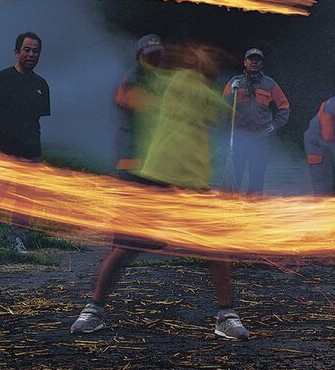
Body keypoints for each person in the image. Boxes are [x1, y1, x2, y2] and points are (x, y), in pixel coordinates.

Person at [70, 44, 250, 340]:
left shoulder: (207, 91)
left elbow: (232, 117)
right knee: (126, 248)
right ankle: (94, 310)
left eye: (211, 56)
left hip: (192, 183)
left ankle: (226, 315)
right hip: (154, 179)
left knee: (215, 248)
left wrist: (237, 93)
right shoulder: (165, 79)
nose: (207, 58)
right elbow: (138, 75)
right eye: (202, 53)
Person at [0, 32, 50, 255]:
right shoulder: (1, 79)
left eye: (35, 51)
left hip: (31, 149)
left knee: (23, 199)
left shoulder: (41, 85)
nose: (31, 54)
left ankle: (17, 239)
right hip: (3, 149)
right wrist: (5, 131)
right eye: (27, 49)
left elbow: (37, 117)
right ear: (17, 52)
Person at [222, 48, 290, 194]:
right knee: (236, 173)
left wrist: (274, 125)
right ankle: (230, 208)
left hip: (260, 137)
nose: (254, 62)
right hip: (239, 135)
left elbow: (284, 107)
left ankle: (253, 208)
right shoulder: (235, 82)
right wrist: (231, 94)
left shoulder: (269, 84)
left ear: (262, 64)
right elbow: (222, 107)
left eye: (257, 60)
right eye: (250, 59)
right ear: (245, 62)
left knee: (257, 177)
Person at [113, 34, 165, 179]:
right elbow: (148, 108)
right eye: (151, 55)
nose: (156, 59)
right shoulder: (134, 78)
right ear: (140, 56)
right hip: (131, 156)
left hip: (147, 157)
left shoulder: (153, 77)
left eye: (158, 54)